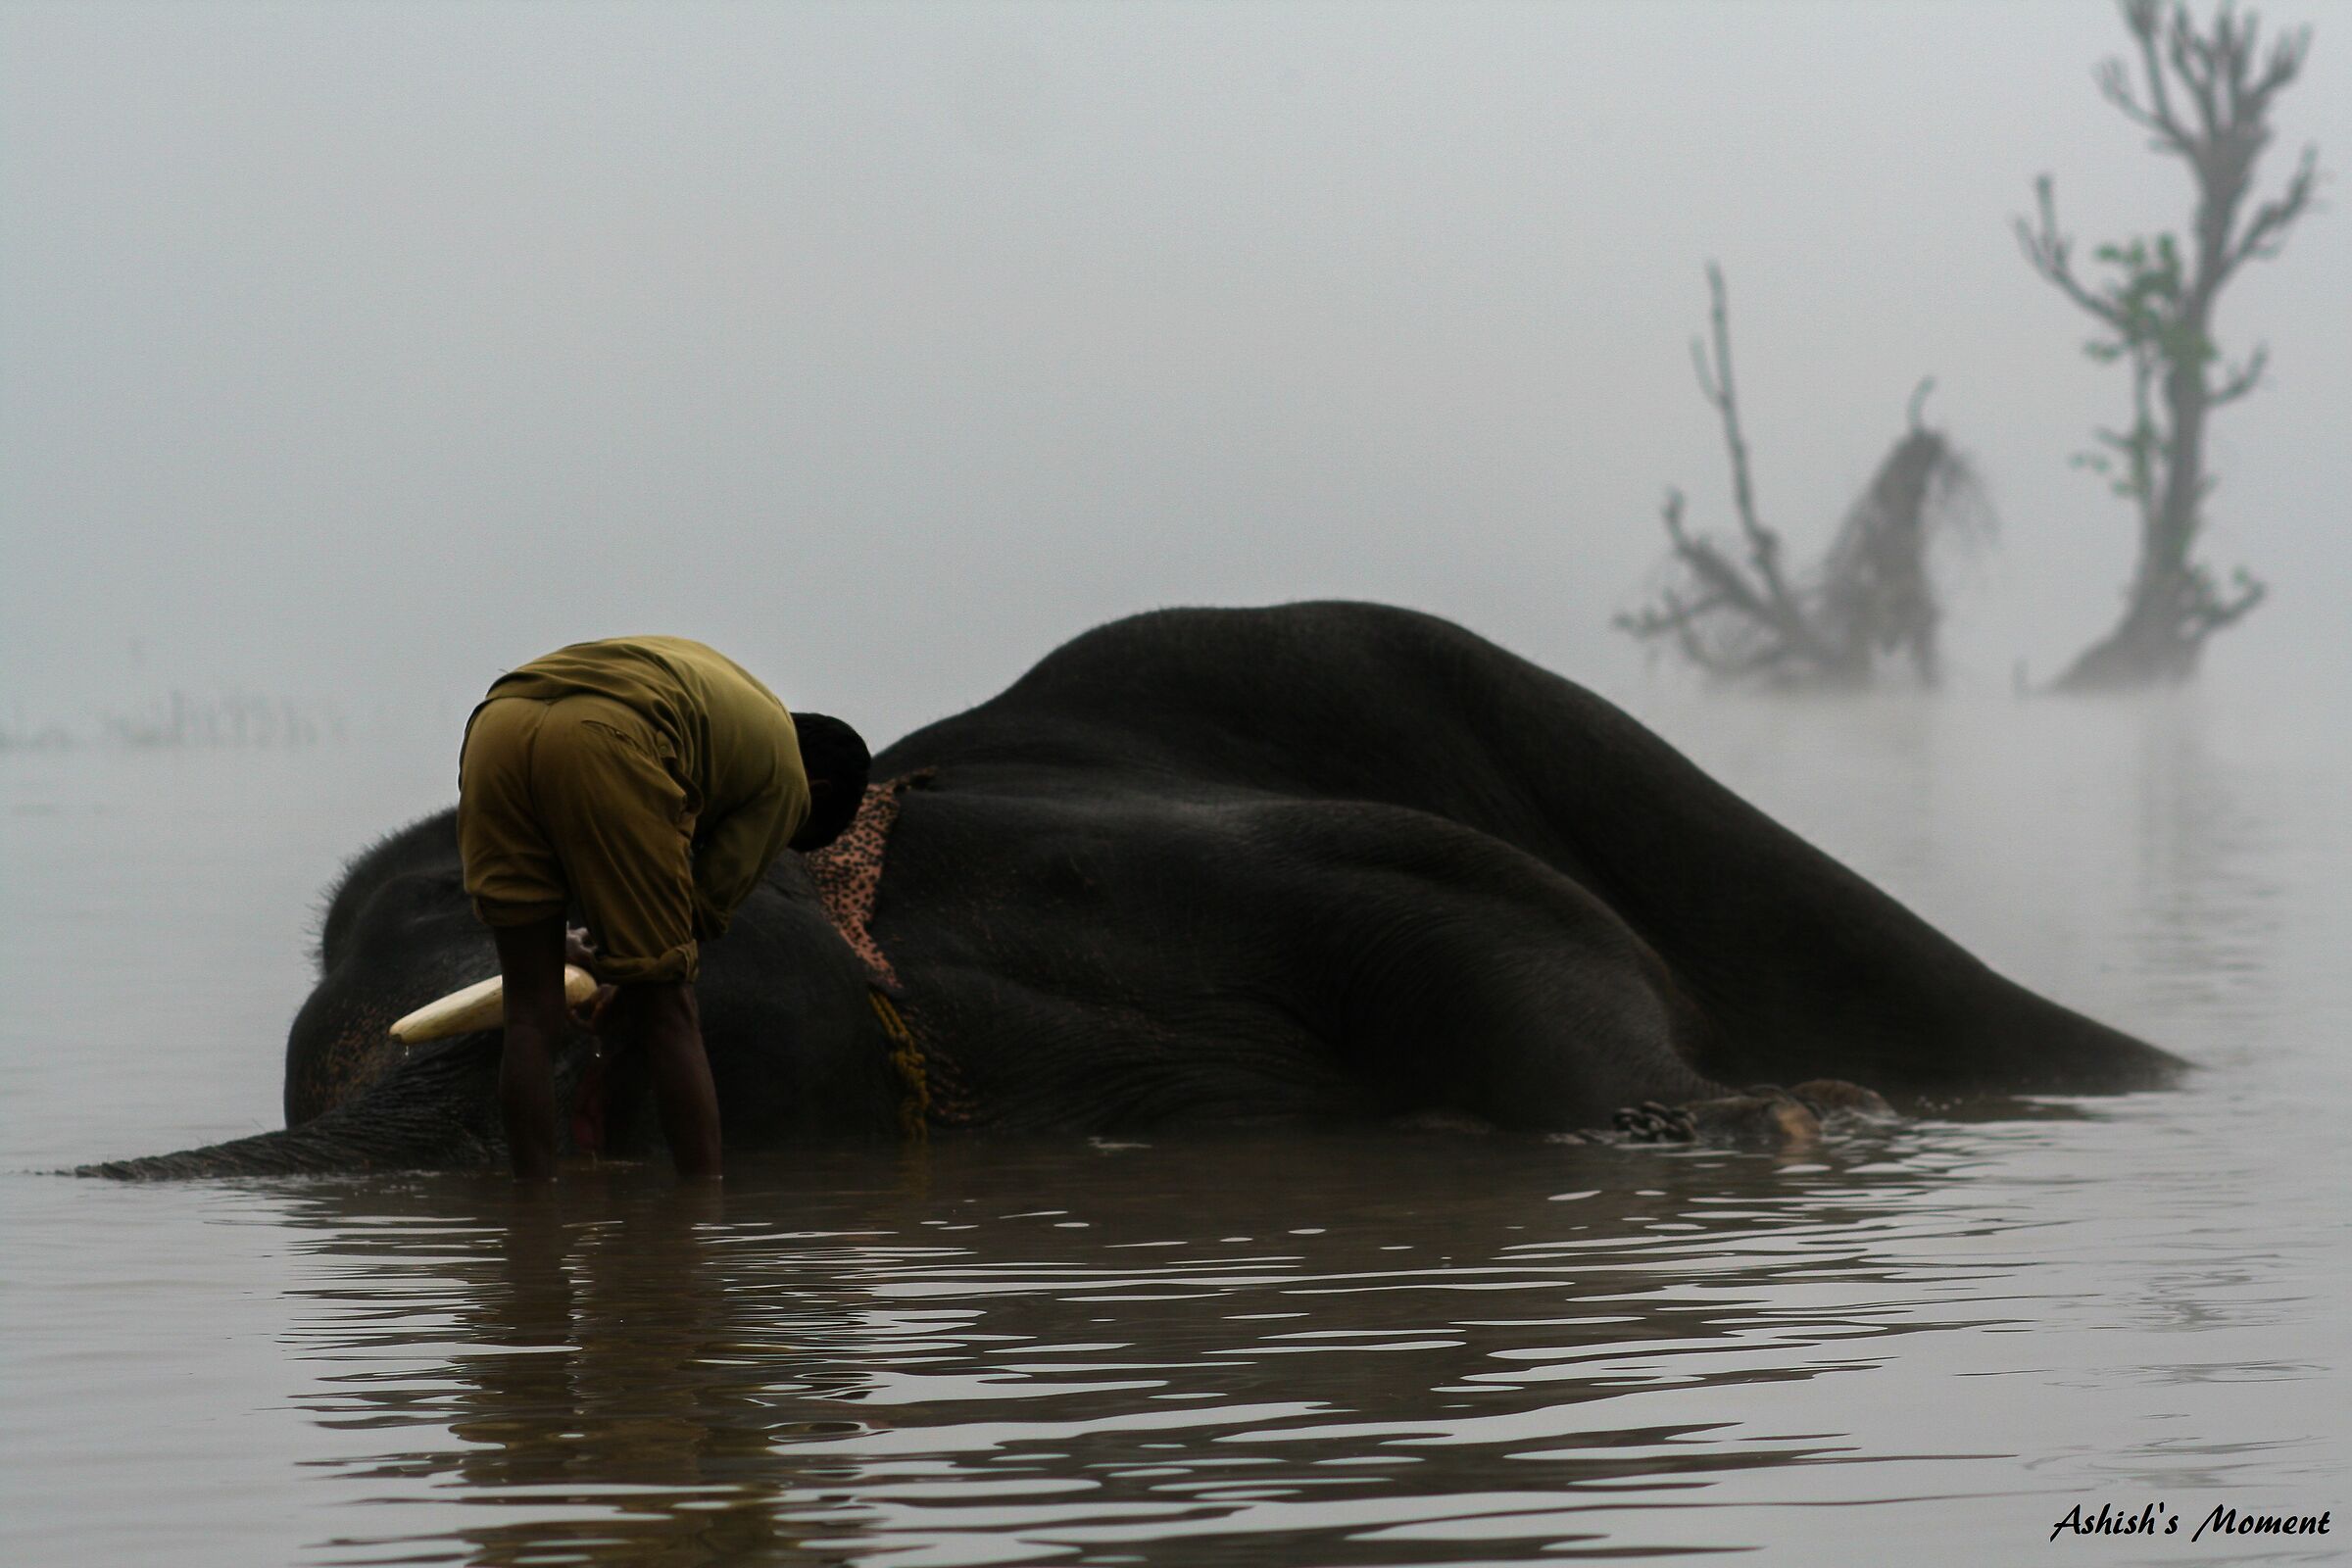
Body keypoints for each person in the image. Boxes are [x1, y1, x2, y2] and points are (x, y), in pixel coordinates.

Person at [455, 636, 869, 1179]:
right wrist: (631, 972)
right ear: (815, 788)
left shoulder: (735, 701)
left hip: (497, 724)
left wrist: (568, 943)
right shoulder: (787, 778)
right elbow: (698, 910)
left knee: (530, 1012)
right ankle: (701, 1208)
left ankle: (533, 1214)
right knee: (670, 1009)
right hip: (608, 737)